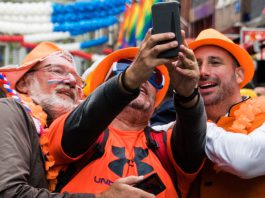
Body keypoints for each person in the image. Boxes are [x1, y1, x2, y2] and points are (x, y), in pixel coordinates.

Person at [47, 29, 207, 198]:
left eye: (154, 76)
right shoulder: (70, 128)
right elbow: (88, 118)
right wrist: (130, 78)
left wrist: (188, 94)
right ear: (103, 87)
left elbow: (194, 131)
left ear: (155, 106)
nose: (143, 77)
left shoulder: (167, 146)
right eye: (124, 67)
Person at [0, 41, 158, 197]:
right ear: (23, 85)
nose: (70, 81)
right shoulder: (9, 111)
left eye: (77, 79)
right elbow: (8, 193)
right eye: (57, 71)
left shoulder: (60, 133)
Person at [187, 28, 265, 197]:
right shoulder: (177, 123)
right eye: (196, 64)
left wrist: (191, 121)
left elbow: (245, 160)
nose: (202, 72)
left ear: (239, 75)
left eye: (215, 62)